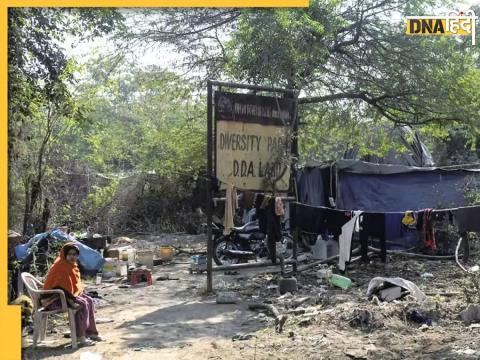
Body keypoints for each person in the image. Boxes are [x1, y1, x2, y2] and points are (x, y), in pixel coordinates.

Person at [43, 242, 103, 346]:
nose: (72, 257)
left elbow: (73, 288)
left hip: (64, 295)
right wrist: (73, 299)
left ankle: (91, 332)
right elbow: (60, 287)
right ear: (64, 254)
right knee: (82, 304)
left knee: (89, 300)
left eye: (75, 254)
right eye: (69, 254)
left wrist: (76, 296)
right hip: (53, 299)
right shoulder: (60, 266)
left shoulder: (72, 265)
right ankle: (81, 337)